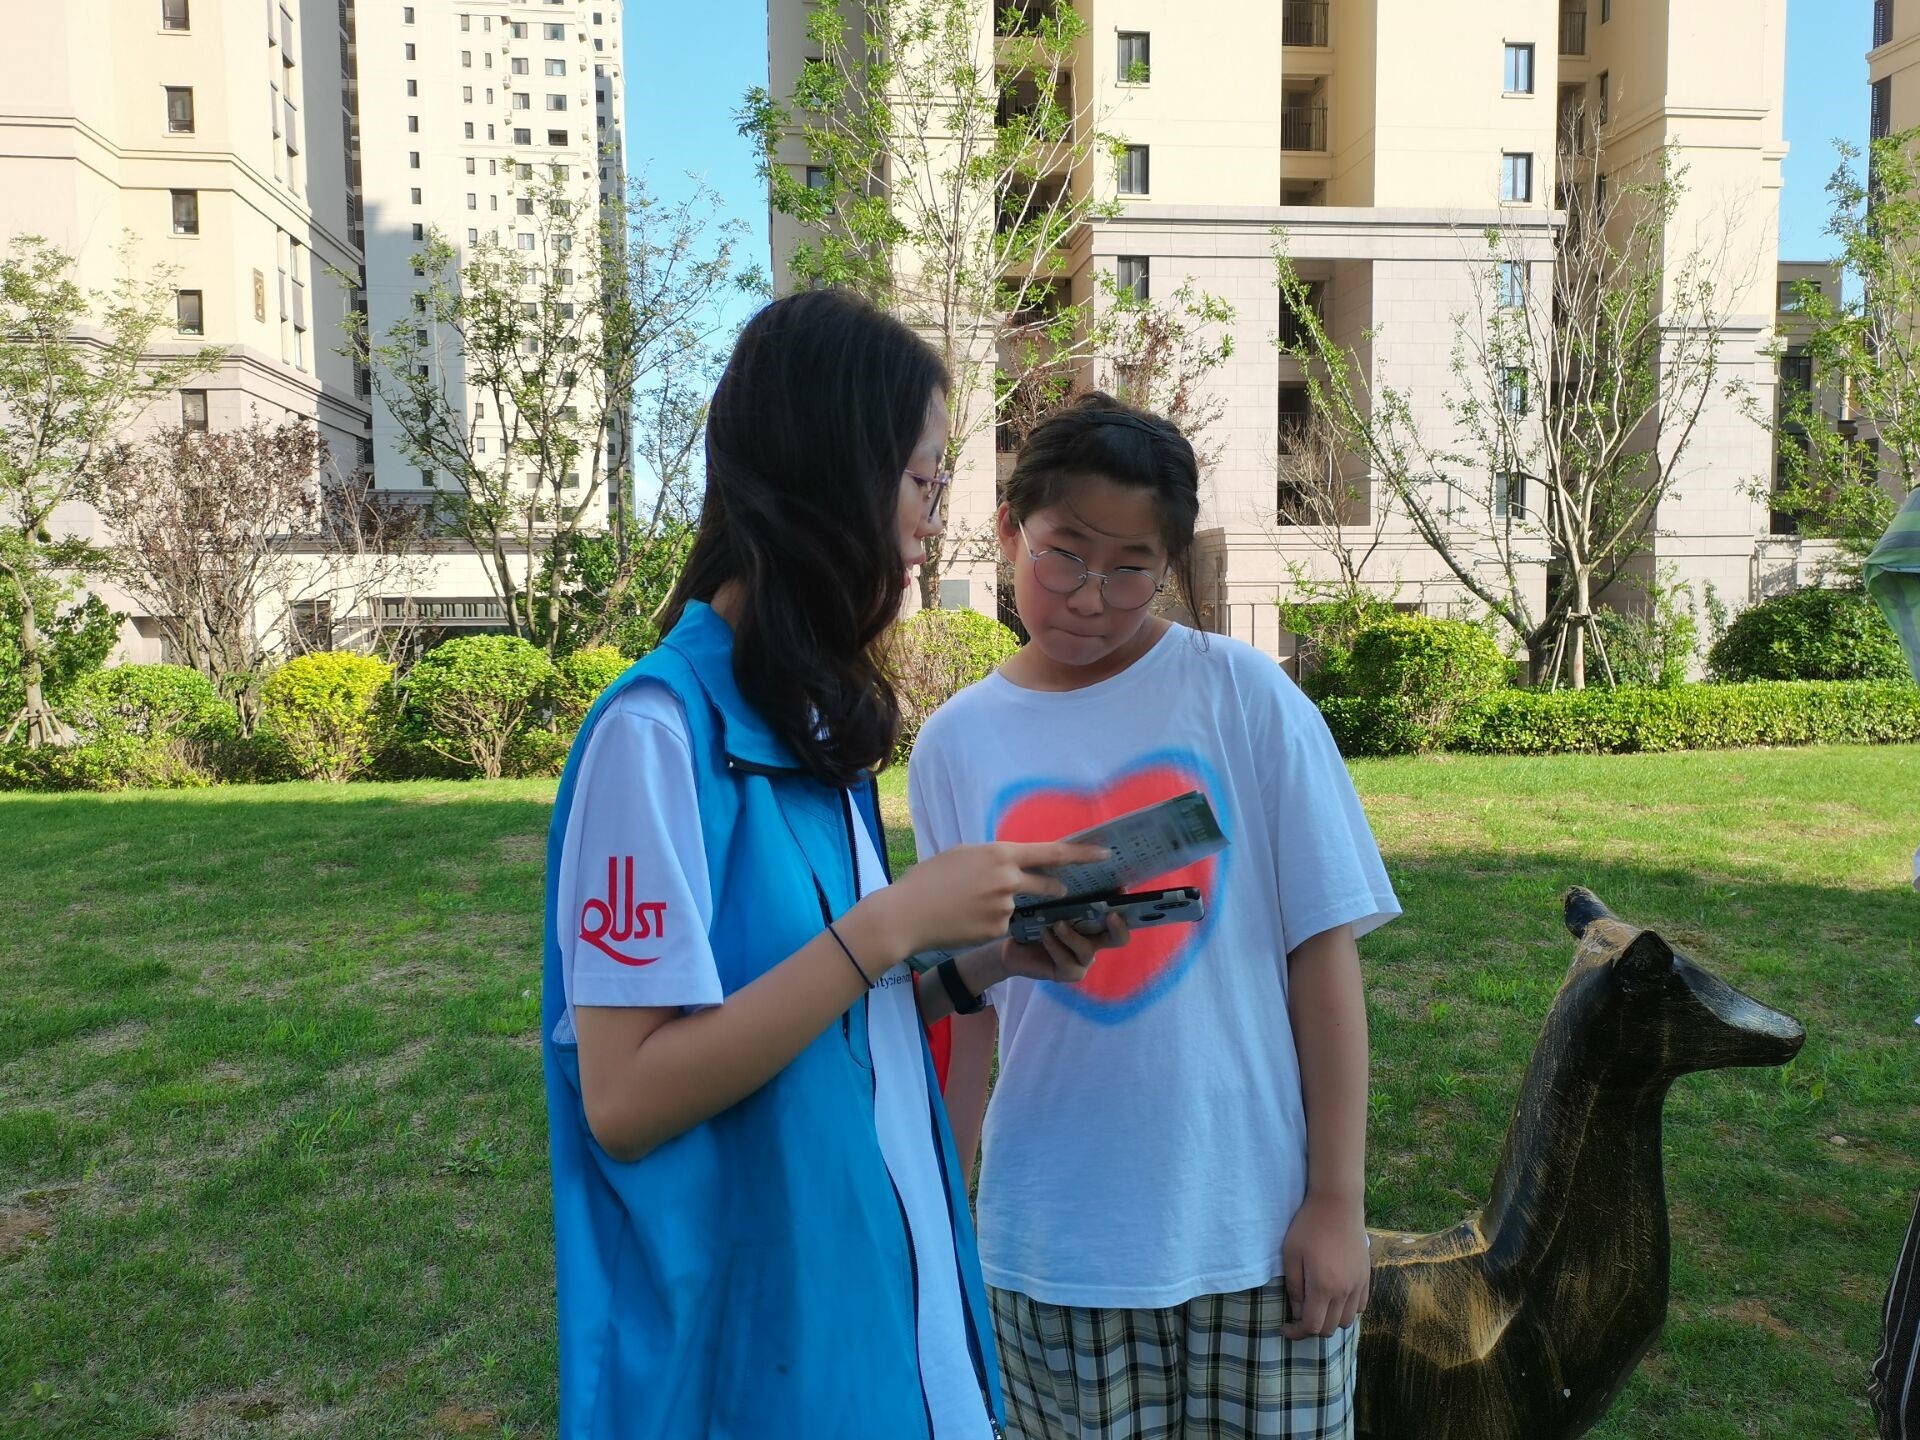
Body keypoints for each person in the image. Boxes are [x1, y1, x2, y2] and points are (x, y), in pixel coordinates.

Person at [539, 290, 1124, 1440]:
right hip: (759, 1359)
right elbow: (625, 1099)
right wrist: (891, 925)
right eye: (920, 481)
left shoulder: (807, 728)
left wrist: (982, 966)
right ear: (832, 473)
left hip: (888, 1312)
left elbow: (830, 1018)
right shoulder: (656, 737)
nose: (931, 522)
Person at [910, 392, 1401, 1440]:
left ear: (1170, 565)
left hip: (1255, 1231)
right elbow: (963, 1008)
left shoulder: (1244, 698)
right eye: (1064, 555)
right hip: (1055, 1242)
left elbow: (1321, 957)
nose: (1091, 597)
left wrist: (1336, 1202)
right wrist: (950, 1210)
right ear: (1009, 531)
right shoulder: (955, 744)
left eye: (1131, 568)